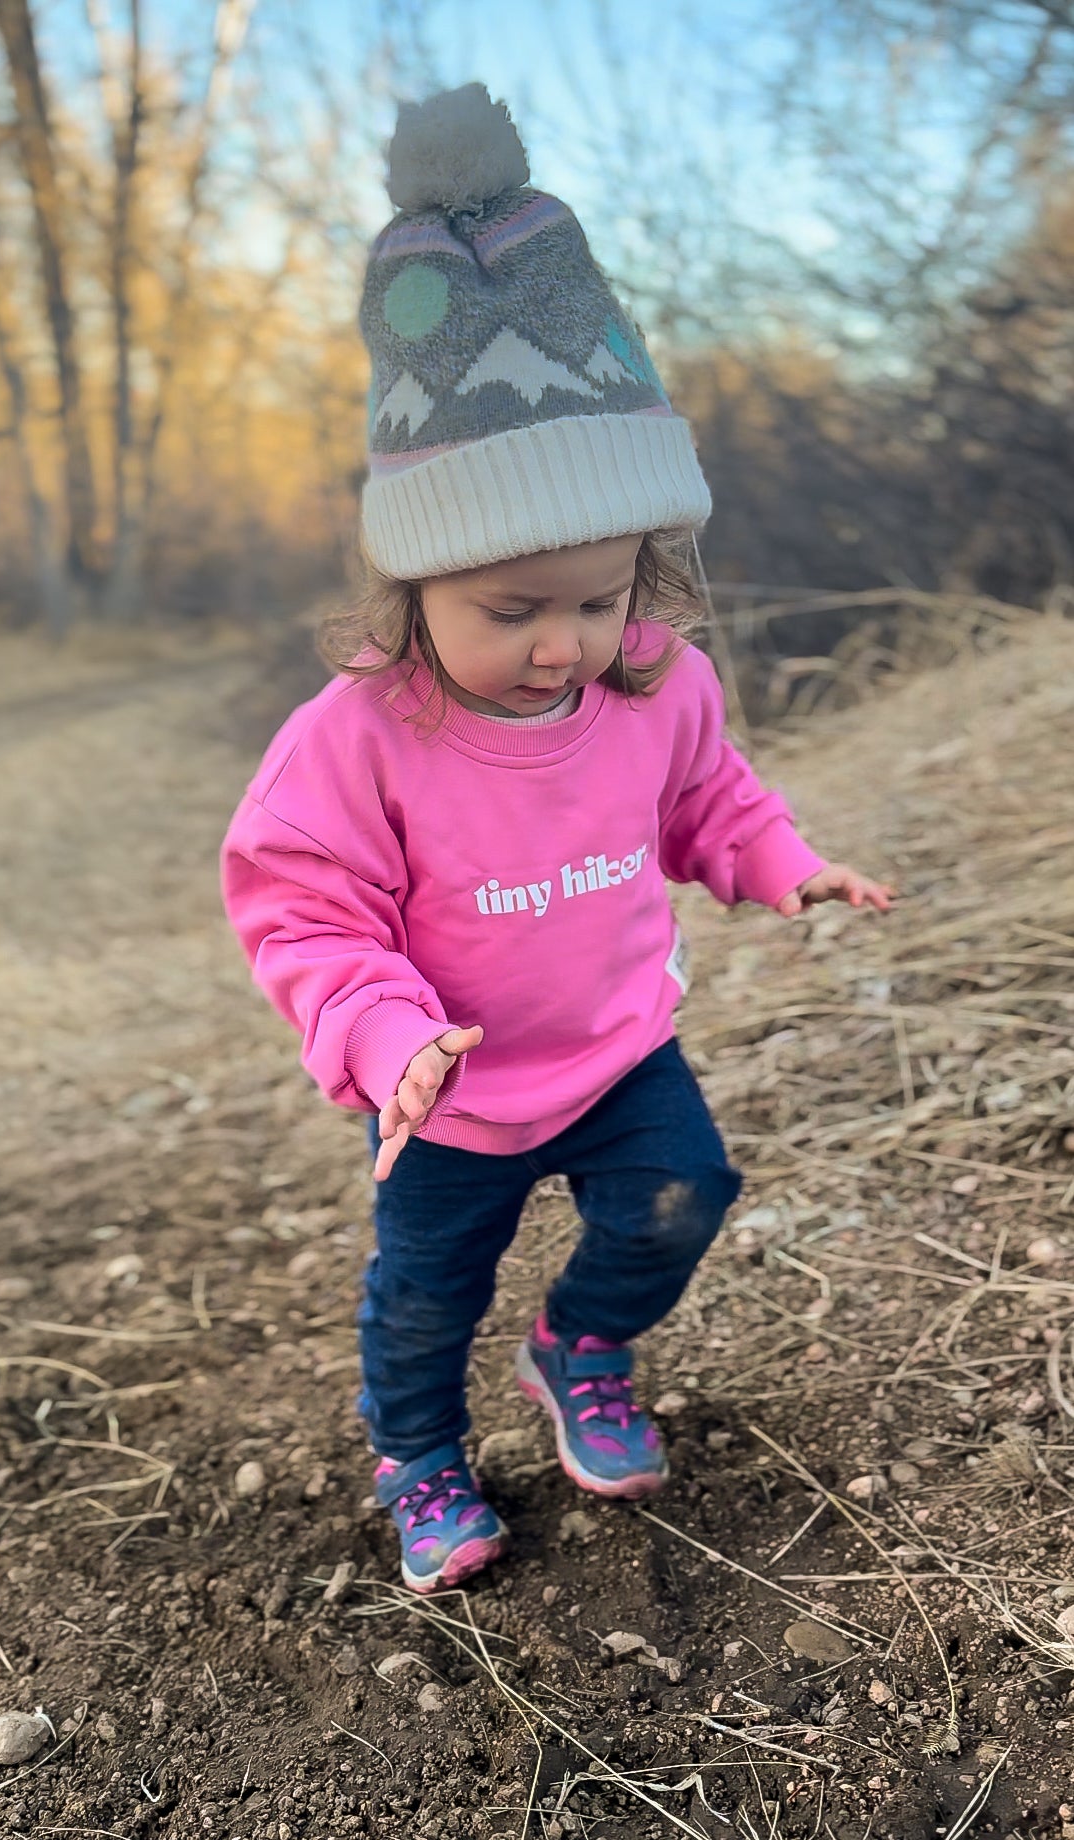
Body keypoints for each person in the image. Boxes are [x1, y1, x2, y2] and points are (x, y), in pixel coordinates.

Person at [221, 84, 892, 1594]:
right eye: (510, 612)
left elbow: (710, 799)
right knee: (419, 1300)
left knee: (682, 1197)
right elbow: (305, 912)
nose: (563, 646)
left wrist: (787, 864)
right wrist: (389, 1036)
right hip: (446, 1088)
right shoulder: (355, 739)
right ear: (411, 590)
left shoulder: (659, 683)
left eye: (598, 597)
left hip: (614, 1050)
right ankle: (418, 1458)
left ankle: (580, 1345)